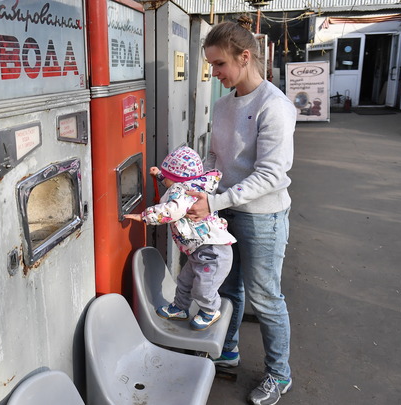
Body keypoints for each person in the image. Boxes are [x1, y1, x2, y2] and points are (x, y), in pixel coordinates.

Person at [185, 16, 296, 405]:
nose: (215, 74)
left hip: (262, 216)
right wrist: (189, 184)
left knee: (266, 298)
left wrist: (212, 201)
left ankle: (279, 375)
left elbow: (271, 175)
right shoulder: (221, 105)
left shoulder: (274, 106)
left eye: (220, 64)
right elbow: (217, 157)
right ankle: (227, 350)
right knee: (228, 285)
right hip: (225, 211)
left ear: (244, 57)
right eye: (211, 65)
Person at [124, 146, 235, 331]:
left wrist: (143, 216)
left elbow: (171, 210)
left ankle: (210, 310)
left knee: (203, 289)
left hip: (213, 252)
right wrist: (160, 175)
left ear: (176, 180)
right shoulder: (192, 183)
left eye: (166, 177)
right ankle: (180, 308)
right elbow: (174, 183)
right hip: (199, 251)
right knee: (184, 281)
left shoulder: (186, 194)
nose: (165, 179)